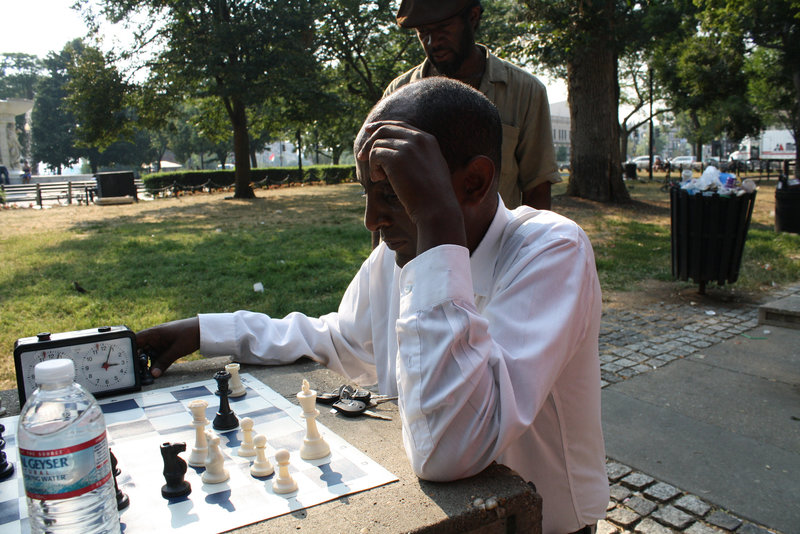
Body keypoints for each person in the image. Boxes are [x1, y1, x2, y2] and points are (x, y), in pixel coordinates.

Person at [136, 78, 608, 533]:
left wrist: (437, 228)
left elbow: (447, 449)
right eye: (367, 194)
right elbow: (338, 341)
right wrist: (207, 332)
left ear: (475, 182)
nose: (371, 221)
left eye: (394, 193)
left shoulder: (552, 249)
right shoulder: (397, 254)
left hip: (541, 524)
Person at [384, 0, 561, 211]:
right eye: (423, 32)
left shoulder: (525, 91)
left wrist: (533, 244)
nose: (433, 42)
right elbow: (384, 185)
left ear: (473, 17)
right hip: (423, 243)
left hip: (498, 243)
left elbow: (538, 188)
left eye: (442, 28)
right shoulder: (398, 93)